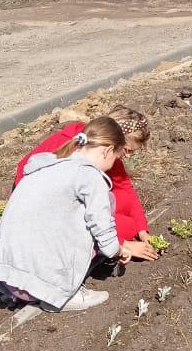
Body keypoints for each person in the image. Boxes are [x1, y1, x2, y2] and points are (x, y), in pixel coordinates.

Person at [0, 117, 138, 313]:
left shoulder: (46, 165)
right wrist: (120, 250)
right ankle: (64, 294)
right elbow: (105, 236)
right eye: (115, 157)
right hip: (37, 286)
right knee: (106, 203)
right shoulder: (89, 177)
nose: (113, 165)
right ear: (108, 150)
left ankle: (35, 287)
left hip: (4, 276)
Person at [14, 106, 156, 257]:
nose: (128, 156)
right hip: (41, 212)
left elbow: (125, 189)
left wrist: (142, 230)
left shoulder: (104, 152)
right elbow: (66, 212)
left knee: (128, 222)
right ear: (113, 142)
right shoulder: (76, 160)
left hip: (64, 208)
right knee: (123, 226)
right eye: (127, 150)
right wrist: (123, 245)